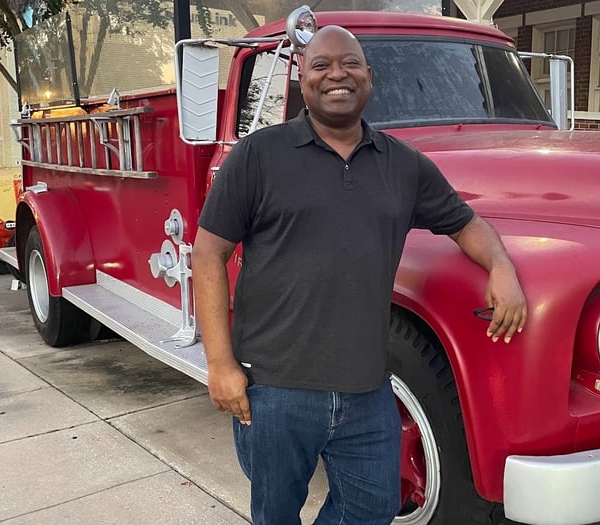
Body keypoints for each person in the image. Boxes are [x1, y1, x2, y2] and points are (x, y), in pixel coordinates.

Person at [192, 25, 527, 525]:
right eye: (321, 65)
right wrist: (220, 365)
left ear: (369, 77)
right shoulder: (259, 155)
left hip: (368, 393)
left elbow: (467, 224)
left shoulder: (404, 165)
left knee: (373, 508)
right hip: (276, 392)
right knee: (275, 514)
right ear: (301, 78)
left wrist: (501, 267)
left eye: (349, 63)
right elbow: (207, 254)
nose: (336, 75)